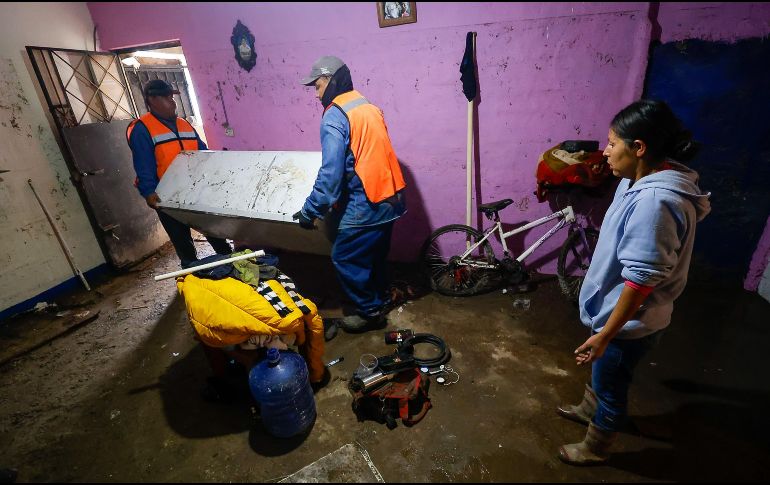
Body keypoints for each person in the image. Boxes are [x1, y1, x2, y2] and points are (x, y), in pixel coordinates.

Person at [556, 99, 711, 465]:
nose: (606, 151)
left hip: (628, 325)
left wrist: (606, 334)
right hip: (619, 317)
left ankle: (596, 446)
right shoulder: (640, 178)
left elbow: (640, 281)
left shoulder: (655, 201)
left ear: (639, 148)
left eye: (612, 143)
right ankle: (587, 408)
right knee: (602, 373)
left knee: (611, 387)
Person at [294, 55, 407, 333]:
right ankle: (378, 299)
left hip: (366, 201)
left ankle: (369, 312)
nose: (317, 93)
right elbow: (365, 156)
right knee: (375, 255)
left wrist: (311, 211)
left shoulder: (335, 114)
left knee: (344, 257)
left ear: (332, 81)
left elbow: (331, 174)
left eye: (318, 86)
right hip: (391, 198)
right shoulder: (367, 106)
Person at [126, 79, 231, 268]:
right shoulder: (142, 129)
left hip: (195, 189)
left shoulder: (184, 124)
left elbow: (202, 151)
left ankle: (229, 260)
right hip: (166, 194)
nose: (172, 101)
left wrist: (217, 168)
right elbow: (143, 164)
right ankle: (192, 269)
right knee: (181, 236)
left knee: (212, 229)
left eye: (172, 97)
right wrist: (148, 192)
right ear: (152, 100)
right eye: (167, 97)